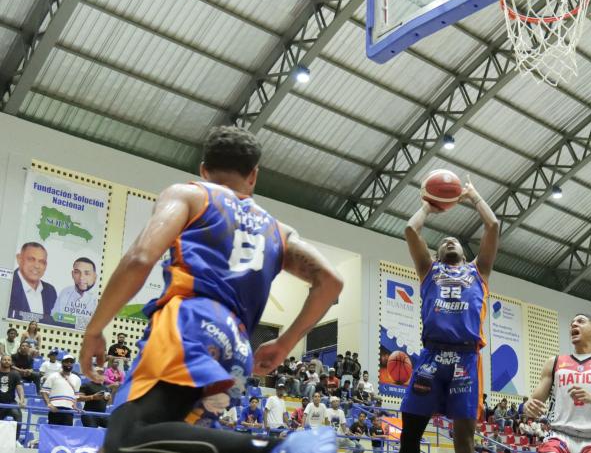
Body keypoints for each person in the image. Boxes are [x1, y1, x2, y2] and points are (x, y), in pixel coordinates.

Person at [77, 126, 344, 453]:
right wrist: (284, 343)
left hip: (190, 325)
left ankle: (275, 447)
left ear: (203, 169)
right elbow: (331, 281)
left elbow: (140, 257)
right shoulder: (279, 231)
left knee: (126, 439)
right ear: (253, 176)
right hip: (238, 349)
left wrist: (95, 328)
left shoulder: (190, 195)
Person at [398, 178, 500, 453]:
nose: (450, 242)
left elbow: (493, 226)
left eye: (454, 241)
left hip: (466, 358)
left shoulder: (479, 271)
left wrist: (474, 196)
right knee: (409, 436)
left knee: (464, 441)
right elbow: (410, 229)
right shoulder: (429, 270)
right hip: (431, 357)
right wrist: (427, 208)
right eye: (444, 242)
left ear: (465, 253)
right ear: (437, 253)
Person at [523, 313, 591, 453]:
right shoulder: (554, 362)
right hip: (559, 435)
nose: (574, 324)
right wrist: (528, 407)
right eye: (572, 323)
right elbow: (533, 403)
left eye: (580, 321)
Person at [9, 243, 57, 324]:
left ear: (45, 266)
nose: (37, 266)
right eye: (31, 259)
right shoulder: (6, 285)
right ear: (19, 259)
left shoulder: (50, 291)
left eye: (41, 262)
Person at [51, 257, 99, 329]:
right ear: (72, 274)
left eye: (87, 273)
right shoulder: (65, 292)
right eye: (77, 272)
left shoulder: (98, 298)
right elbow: (54, 317)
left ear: (95, 277)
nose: (81, 278)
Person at [41, 353, 81, 426]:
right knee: (53, 432)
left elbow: (76, 395)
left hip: (69, 410)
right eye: (66, 361)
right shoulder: (53, 376)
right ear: (62, 363)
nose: (69, 363)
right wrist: (49, 404)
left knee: (66, 434)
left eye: (71, 362)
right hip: (55, 408)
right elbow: (44, 391)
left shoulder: (77, 379)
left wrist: (74, 406)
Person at [0, 355, 26, 438]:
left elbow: (20, 388)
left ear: (11, 362)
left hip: (10, 403)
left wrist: (21, 400)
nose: (7, 361)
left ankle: (15, 439)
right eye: (4, 360)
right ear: (1, 361)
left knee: (18, 415)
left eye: (8, 360)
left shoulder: (15, 374)